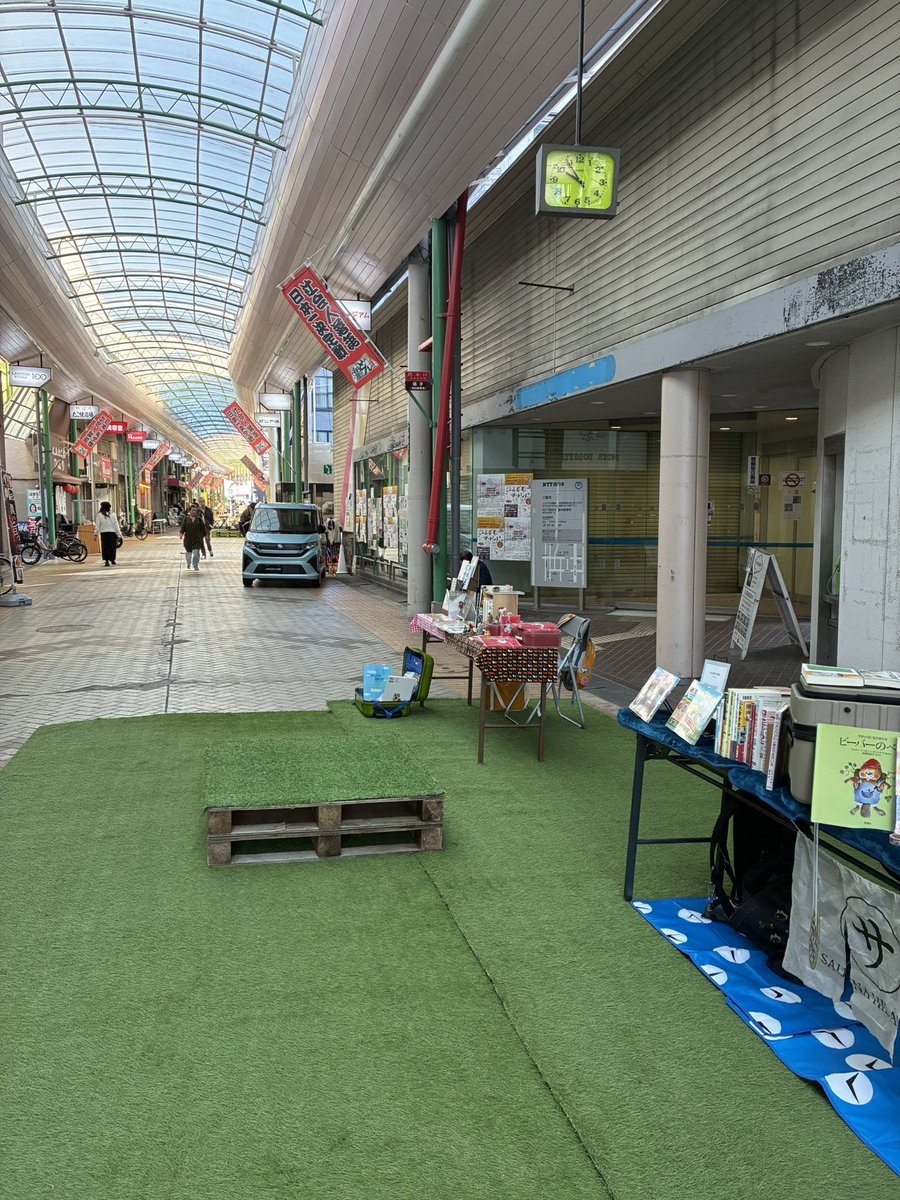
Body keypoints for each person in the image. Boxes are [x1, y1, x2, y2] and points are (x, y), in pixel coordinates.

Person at [180, 503, 207, 571]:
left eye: (195, 510)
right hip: (188, 539)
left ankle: (195, 565)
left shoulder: (199, 520)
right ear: (189, 511)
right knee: (188, 553)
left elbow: (203, 529)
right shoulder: (186, 519)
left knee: (196, 553)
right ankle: (188, 563)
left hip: (197, 539)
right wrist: (181, 534)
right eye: (192, 510)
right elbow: (183, 527)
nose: (194, 511)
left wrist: (205, 535)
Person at [94, 501, 121, 567]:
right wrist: (119, 534)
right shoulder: (113, 514)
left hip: (104, 534)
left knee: (105, 547)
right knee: (112, 547)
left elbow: (97, 525)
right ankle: (112, 559)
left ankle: (106, 561)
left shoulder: (99, 515)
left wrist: (95, 534)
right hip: (112, 534)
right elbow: (116, 525)